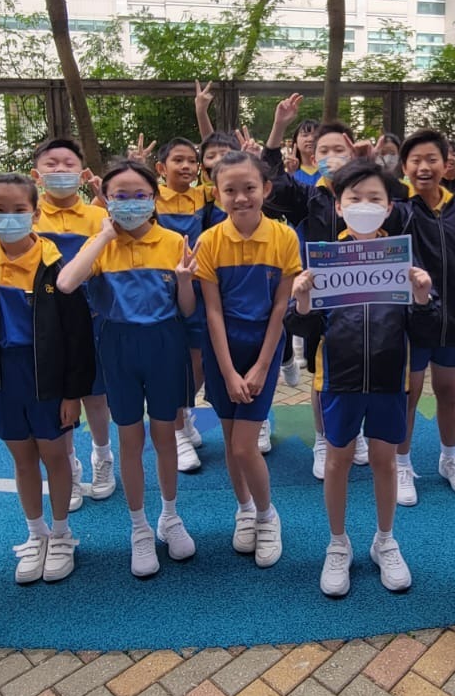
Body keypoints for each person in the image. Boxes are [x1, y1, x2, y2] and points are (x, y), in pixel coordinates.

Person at [287, 159, 438, 597]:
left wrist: (423, 298)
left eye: (375, 198)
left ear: (389, 207)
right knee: (337, 460)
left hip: (390, 381)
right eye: (355, 198)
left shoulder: (402, 260)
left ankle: (385, 540)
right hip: (339, 380)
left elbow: (426, 331)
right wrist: (302, 301)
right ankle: (338, 544)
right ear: (339, 205)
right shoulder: (325, 261)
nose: (364, 205)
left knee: (384, 461)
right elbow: (303, 329)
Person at [0, 132, 116, 506]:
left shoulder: (97, 215)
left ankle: (103, 456)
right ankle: (68, 467)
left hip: (89, 319)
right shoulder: (22, 210)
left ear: (82, 172)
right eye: (50, 164)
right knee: (55, 402)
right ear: (36, 174)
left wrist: (108, 195)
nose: (60, 169)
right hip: (44, 325)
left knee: (94, 395)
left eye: (68, 164)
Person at [56, 161, 198, 578]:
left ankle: (169, 516)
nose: (131, 203)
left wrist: (184, 281)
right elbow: (66, 283)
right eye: (120, 196)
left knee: (166, 435)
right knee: (130, 437)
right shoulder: (100, 243)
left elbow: (187, 309)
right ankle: (139, 528)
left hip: (165, 344)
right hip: (117, 346)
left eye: (140, 195)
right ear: (106, 200)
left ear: (154, 198)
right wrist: (103, 235)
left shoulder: (173, 241)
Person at [0, 173, 96, 585]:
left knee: (55, 455)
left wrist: (72, 393)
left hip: (48, 378)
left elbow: (78, 337)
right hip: (3, 377)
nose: (9, 217)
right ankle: (36, 533)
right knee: (22, 458)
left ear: (36, 214)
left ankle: (61, 534)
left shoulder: (57, 267)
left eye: (19, 210)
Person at [266, 101, 398, 477]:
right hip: (324, 300)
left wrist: (371, 167)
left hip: (373, 297)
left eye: (339, 148)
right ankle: (324, 439)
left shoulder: (373, 193)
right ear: (312, 156)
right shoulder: (310, 195)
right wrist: (278, 130)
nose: (330, 156)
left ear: (353, 150)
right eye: (322, 150)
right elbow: (275, 183)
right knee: (322, 374)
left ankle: (358, 434)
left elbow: (401, 205)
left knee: (368, 366)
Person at [195, 150, 302, 567]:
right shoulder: (209, 241)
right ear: (217, 193)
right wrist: (226, 371)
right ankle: (244, 509)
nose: (241, 197)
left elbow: (280, 308)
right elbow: (213, 311)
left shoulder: (285, 237)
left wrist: (260, 366)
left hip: (263, 348)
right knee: (230, 440)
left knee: (244, 446)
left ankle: (267, 515)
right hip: (223, 349)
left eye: (250, 188)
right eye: (230, 190)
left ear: (266, 189)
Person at [396, 129, 455, 505]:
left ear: (445, 163)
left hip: (454, 320)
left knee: (449, 390)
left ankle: (450, 459)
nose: (424, 167)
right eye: (415, 160)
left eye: (431, 159)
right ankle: (402, 464)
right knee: (410, 393)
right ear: (404, 167)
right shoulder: (399, 211)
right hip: (413, 321)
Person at [154, 137, 215, 474]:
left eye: (192, 160)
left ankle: (184, 411)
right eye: (178, 160)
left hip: (195, 285)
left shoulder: (204, 195)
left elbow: (227, 171)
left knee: (197, 360)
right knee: (170, 362)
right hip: (161, 289)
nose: (187, 166)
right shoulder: (150, 197)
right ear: (161, 168)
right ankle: (176, 432)